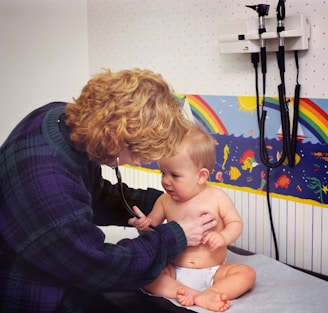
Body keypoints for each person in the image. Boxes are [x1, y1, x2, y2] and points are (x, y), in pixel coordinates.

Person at [0, 68, 218, 313]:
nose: (136, 162)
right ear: (115, 139)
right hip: (37, 297)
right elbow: (101, 267)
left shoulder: (63, 118)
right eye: (136, 154)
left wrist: (170, 203)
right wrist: (175, 236)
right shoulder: (47, 182)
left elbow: (91, 195)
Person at [129, 123, 256, 312]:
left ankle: (212, 292)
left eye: (174, 175)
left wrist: (223, 237)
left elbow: (235, 223)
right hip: (175, 269)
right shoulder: (164, 201)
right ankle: (185, 291)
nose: (165, 180)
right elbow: (153, 230)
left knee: (247, 274)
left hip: (213, 272)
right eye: (163, 172)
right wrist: (143, 226)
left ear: (201, 176)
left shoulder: (217, 197)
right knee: (146, 275)